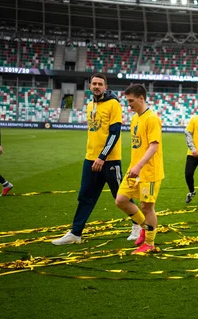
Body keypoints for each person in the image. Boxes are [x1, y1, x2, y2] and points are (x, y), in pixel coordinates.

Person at [52, 74, 125, 245]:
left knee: (121, 196)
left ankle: (139, 226)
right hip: (90, 159)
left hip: (110, 160)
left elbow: (115, 134)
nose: (97, 86)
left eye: (100, 84)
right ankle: (75, 233)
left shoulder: (114, 104)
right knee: (85, 196)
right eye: (94, 84)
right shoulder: (90, 105)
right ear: (90, 86)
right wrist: (94, 157)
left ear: (106, 87)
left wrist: (102, 157)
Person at [114, 84, 164, 254]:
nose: (129, 104)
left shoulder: (152, 118)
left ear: (141, 98)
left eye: (131, 101)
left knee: (146, 207)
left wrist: (139, 165)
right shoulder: (135, 117)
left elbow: (154, 146)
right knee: (120, 200)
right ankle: (145, 227)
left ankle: (150, 243)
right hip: (135, 169)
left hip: (149, 171)